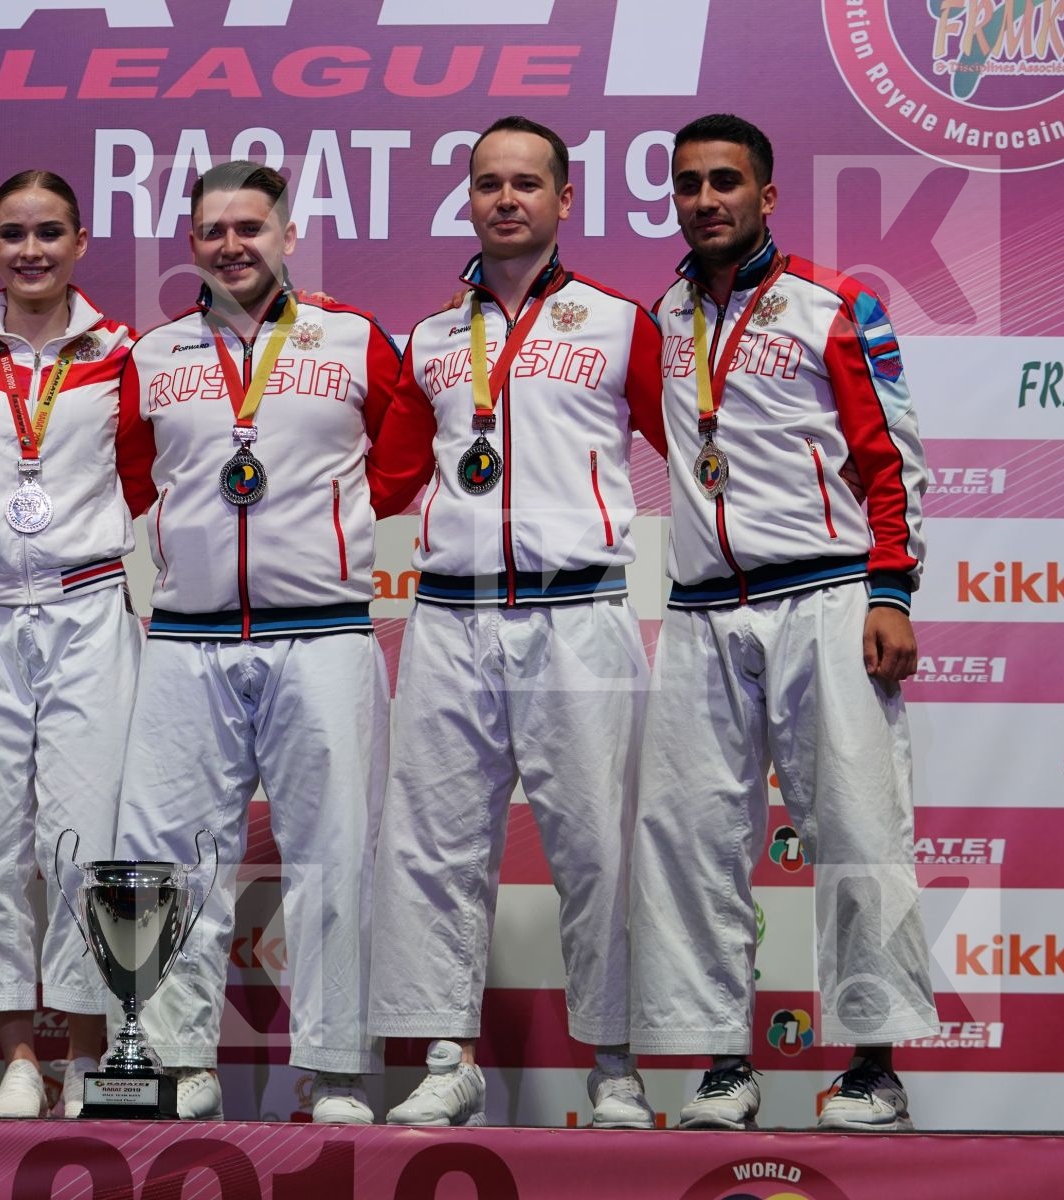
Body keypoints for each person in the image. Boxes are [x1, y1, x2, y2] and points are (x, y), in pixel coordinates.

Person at [629, 113, 938, 1131]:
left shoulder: (832, 304)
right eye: (687, 184)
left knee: (854, 822)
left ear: (766, 195)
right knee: (694, 832)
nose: (705, 199)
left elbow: (890, 455)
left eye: (725, 181)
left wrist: (890, 590)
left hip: (826, 595)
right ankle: (723, 1058)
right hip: (704, 605)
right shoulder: (662, 319)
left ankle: (873, 1064)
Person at [364, 116, 667, 1129]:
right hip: (450, 616)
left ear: (563, 200)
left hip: (577, 608)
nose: (506, 198)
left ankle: (616, 1062)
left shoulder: (622, 322)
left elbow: (704, 446)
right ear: (468, 196)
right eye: (488, 182)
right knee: (435, 847)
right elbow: (387, 480)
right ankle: (447, 1056)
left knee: (598, 847)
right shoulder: (432, 338)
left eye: (526, 183)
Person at [112, 161, 400, 1124]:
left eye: (251, 226)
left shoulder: (356, 340)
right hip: (188, 635)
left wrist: (318, 540)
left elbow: (398, 467)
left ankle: (334, 1069)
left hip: (323, 631)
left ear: (287, 235)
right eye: (213, 230)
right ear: (191, 243)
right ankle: (178, 1056)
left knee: (336, 851)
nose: (232, 244)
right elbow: (137, 477)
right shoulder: (154, 356)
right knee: (173, 855)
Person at [0, 170, 141, 1119]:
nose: (32, 251)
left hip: (88, 605)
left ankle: (87, 1051)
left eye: (50, 232)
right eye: (13, 233)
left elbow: (154, 468)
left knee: (88, 840)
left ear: (82, 241)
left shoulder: (125, 352)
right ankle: (19, 1053)